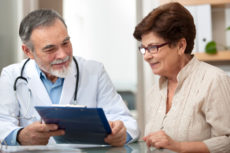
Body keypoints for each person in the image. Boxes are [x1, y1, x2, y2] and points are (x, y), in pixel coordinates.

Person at [0, 9, 139, 146]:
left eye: (65, 43)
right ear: (28, 51)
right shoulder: (12, 76)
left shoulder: (94, 71)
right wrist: (19, 136)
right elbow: (2, 123)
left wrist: (121, 133)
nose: (62, 55)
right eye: (50, 49)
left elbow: (126, 122)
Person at [133, 2, 230, 153]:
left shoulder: (214, 80)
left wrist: (180, 147)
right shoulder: (154, 92)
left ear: (180, 46)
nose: (146, 56)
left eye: (153, 48)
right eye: (144, 49)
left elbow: (227, 141)